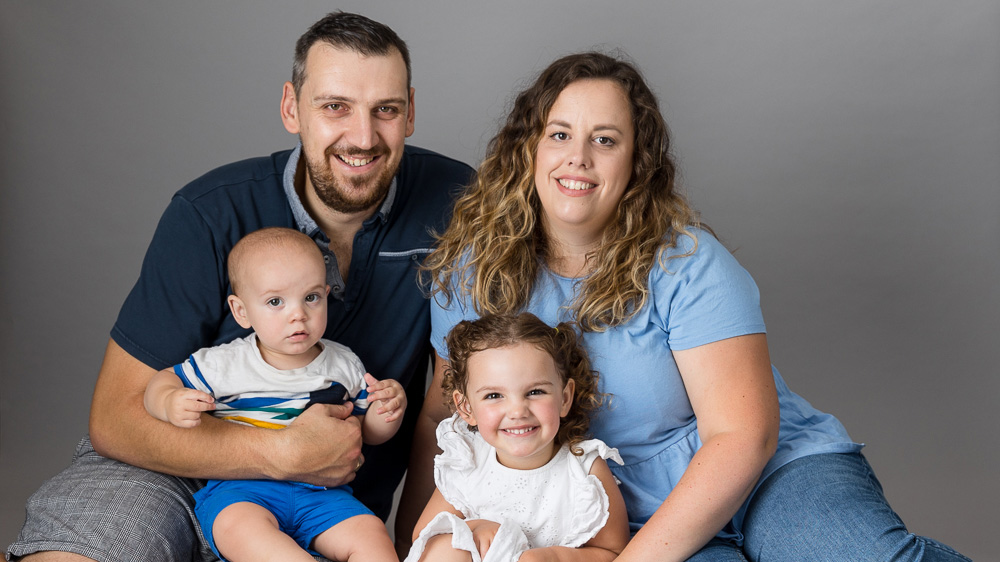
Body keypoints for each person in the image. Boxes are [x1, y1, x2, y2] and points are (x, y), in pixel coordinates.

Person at [409, 52, 971, 561]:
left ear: (637, 163)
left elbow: (742, 435)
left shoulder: (687, 262)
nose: (577, 159)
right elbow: (443, 421)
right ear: (527, 148)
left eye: (605, 140)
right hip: (618, 516)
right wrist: (416, 546)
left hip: (768, 476)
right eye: (559, 134)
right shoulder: (470, 274)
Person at [8, 11, 473, 562]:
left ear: (410, 112)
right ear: (290, 108)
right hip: (167, 470)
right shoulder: (209, 211)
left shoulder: (460, 206)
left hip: (323, 502)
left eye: (386, 110)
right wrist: (277, 452)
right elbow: (115, 417)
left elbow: (453, 401)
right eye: (334, 107)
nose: (363, 137)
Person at [144, 227, 402, 562]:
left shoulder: (344, 363)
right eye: (275, 302)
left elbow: (368, 433)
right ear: (242, 312)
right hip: (243, 492)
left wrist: (388, 411)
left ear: (326, 294)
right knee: (244, 531)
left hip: (323, 495)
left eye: (311, 298)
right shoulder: (226, 363)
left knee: (372, 536)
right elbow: (161, 382)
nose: (298, 314)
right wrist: (168, 401)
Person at [405, 313, 629, 562]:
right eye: (493, 396)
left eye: (535, 392)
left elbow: (614, 552)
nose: (517, 411)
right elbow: (423, 536)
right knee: (446, 548)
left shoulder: (584, 471)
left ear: (564, 398)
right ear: (466, 407)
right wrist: (474, 527)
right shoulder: (468, 461)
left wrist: (554, 557)